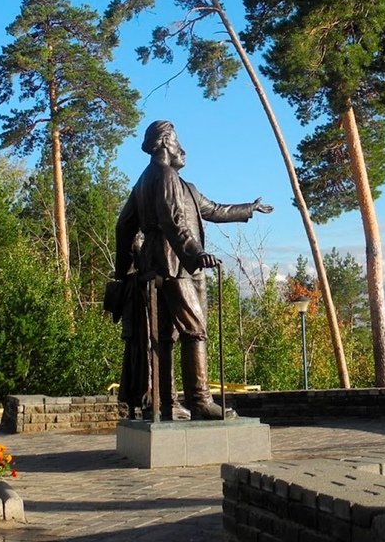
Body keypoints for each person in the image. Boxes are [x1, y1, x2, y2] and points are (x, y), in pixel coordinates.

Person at [113, 120, 273, 420]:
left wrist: (249, 208)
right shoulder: (165, 176)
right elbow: (174, 222)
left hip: (154, 267)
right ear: (162, 143)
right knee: (194, 331)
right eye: (176, 141)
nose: (181, 148)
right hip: (176, 267)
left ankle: (166, 403)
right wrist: (196, 254)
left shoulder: (151, 181)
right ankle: (200, 401)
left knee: (163, 338)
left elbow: (212, 210)